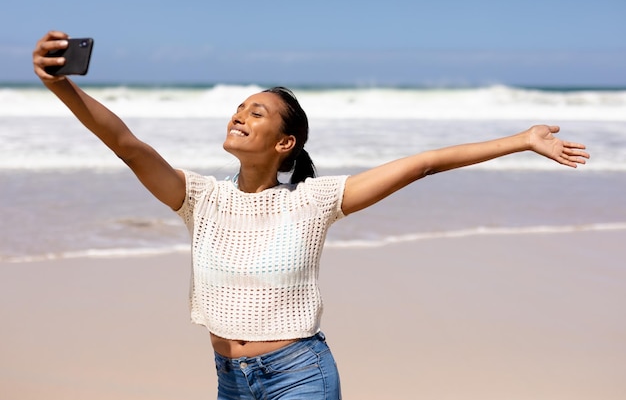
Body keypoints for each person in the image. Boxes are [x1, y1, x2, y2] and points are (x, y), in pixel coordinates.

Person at [32, 31, 590, 400]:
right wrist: (61, 86)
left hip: (298, 375)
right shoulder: (199, 198)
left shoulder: (313, 199)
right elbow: (128, 145)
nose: (240, 115)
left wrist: (521, 139)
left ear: (286, 142)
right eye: (238, 107)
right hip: (229, 378)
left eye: (258, 112)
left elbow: (421, 163)